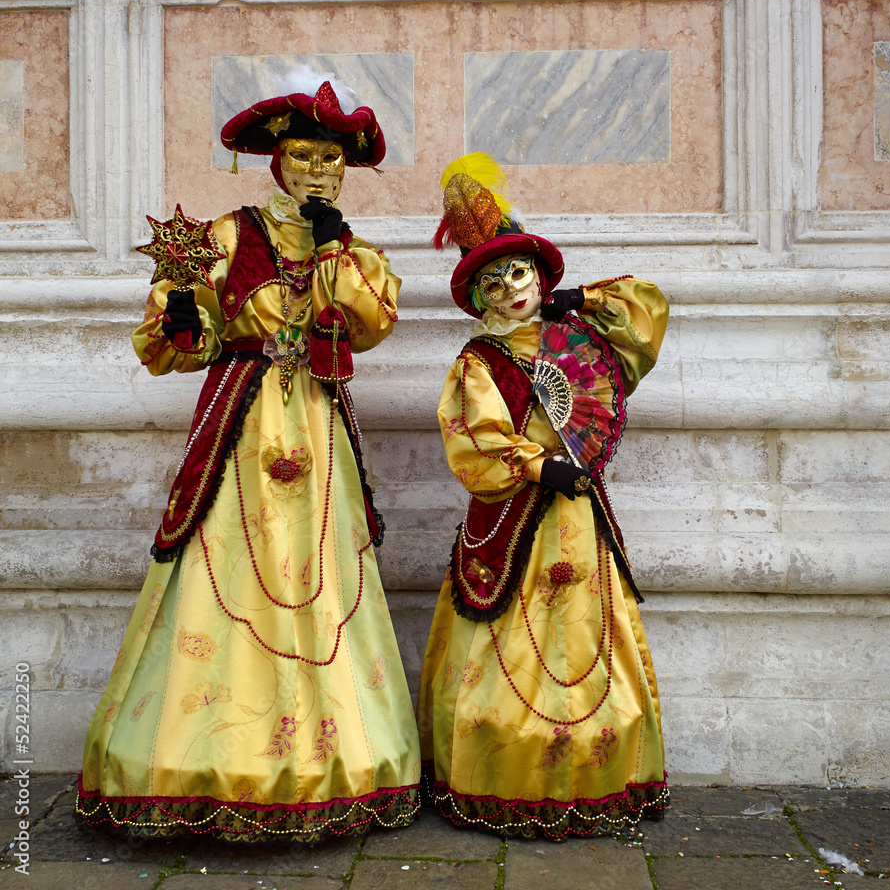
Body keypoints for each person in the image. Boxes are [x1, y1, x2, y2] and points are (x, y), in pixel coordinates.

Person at [75, 79, 420, 843]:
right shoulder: (231, 234)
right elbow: (176, 340)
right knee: (224, 563)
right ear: (274, 161)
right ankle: (202, 758)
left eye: (332, 159)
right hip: (243, 420)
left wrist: (333, 246)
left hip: (319, 424)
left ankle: (335, 761)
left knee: (318, 566)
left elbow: (367, 324)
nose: (319, 170)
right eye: (302, 155)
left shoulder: (355, 250)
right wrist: (182, 312)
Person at [417, 154, 670, 839]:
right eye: (494, 283)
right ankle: (502, 770)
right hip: (516, 514)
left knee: (586, 635)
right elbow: (474, 436)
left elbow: (646, 311)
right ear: (479, 299)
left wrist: (579, 302)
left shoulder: (581, 338)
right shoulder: (478, 361)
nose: (511, 290)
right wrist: (537, 466)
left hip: (580, 513)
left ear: (541, 274)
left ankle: (595, 767)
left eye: (519, 273)